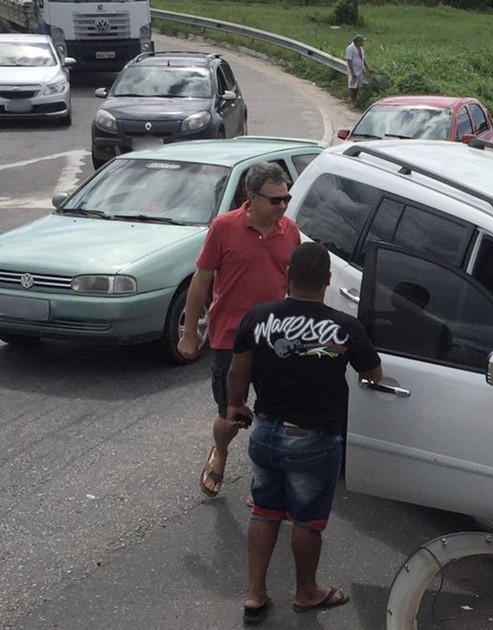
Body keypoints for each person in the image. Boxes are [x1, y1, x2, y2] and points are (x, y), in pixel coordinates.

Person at [227, 242, 383, 624]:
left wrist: (236, 406)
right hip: (314, 438)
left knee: (264, 512)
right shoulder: (345, 327)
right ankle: (306, 592)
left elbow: (236, 372)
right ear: (328, 281)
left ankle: (254, 594)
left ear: (287, 275)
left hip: (264, 430)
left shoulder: (258, 317)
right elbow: (373, 373)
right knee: (306, 522)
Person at [179, 162, 300, 499]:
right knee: (231, 416)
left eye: (286, 199)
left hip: (274, 342)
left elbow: (294, 286)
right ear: (251, 196)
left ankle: (264, 480)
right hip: (229, 339)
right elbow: (201, 279)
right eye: (275, 200)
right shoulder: (223, 227)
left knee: (274, 415)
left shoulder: (290, 231)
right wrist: (190, 332)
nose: (282, 207)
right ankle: (221, 451)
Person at [345, 34, 371, 108]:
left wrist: (367, 67)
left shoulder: (361, 48)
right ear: (358, 41)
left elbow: (363, 59)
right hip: (353, 69)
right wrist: (352, 72)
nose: (363, 43)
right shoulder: (350, 48)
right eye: (362, 41)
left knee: (358, 85)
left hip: (360, 69)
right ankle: (352, 100)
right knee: (352, 85)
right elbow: (349, 60)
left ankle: (355, 100)